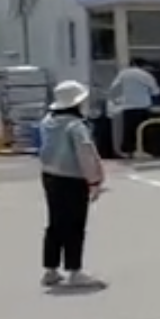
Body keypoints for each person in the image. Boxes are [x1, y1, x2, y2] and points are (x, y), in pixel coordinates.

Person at [36, 79, 107, 289]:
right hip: (72, 178)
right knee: (75, 225)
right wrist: (94, 180)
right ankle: (75, 270)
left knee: (55, 223)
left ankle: (50, 269)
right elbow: (85, 153)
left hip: (49, 174)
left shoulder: (48, 121)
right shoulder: (76, 126)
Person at [106, 57, 160, 159]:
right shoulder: (146, 75)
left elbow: (113, 88)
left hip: (128, 106)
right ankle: (144, 151)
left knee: (129, 131)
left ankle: (129, 152)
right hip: (143, 106)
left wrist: (117, 100)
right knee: (144, 130)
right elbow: (155, 91)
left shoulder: (124, 74)